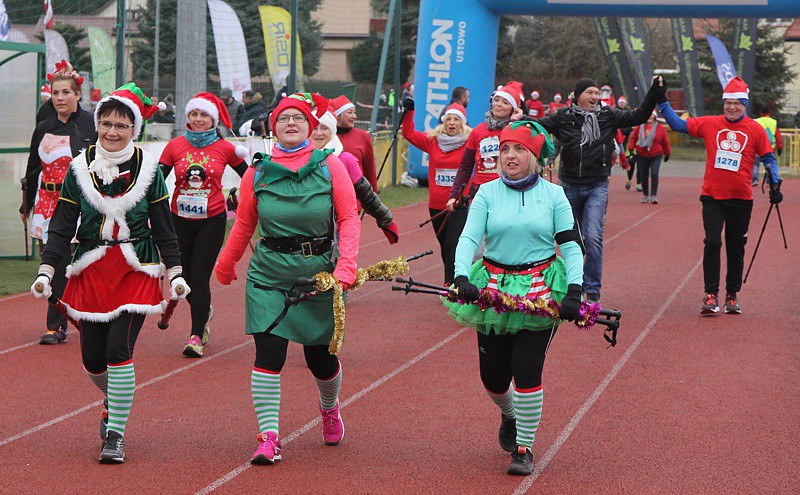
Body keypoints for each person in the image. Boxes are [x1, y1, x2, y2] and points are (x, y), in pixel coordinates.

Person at [30, 83, 187, 463]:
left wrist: (176, 271)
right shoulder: (79, 168)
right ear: (97, 124)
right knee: (93, 360)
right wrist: (48, 269)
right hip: (91, 268)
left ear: (134, 129)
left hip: (137, 269)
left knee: (119, 349)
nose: (112, 131)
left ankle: (115, 434)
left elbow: (164, 227)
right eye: (106, 123)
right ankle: (111, 398)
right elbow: (62, 225)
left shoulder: (150, 171)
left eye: (121, 125)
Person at [214, 92, 360, 465]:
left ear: (311, 126)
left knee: (320, 361)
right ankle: (269, 437)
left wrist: (345, 267)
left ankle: (329, 408)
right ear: (273, 127)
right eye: (283, 119)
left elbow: (348, 218)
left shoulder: (330, 166)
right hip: (269, 274)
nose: (290, 123)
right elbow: (245, 221)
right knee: (269, 354)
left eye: (298, 118)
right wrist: (227, 263)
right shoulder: (258, 170)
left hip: (318, 276)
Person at [442, 121, 583, 475]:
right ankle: (509, 414)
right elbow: (468, 238)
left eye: (518, 149)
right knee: (492, 378)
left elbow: (571, 245)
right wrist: (460, 275)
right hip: (493, 287)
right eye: (504, 149)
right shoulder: (487, 193)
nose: (509, 156)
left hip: (540, 289)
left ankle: (524, 448)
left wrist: (576, 290)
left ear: (535, 157)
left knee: (526, 369)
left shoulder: (555, 195)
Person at [528, 76, 665, 302]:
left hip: (596, 185)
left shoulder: (608, 116)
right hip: (569, 185)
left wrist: (654, 92)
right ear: (578, 95)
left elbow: (639, 115)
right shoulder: (564, 117)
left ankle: (591, 291)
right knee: (570, 239)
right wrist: (512, 117)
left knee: (592, 236)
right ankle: (573, 285)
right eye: (589, 92)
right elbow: (538, 125)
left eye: (596, 93)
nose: (594, 97)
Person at [658, 76, 782, 315]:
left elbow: (768, 157)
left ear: (744, 105)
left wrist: (775, 183)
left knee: (736, 247)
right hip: (712, 197)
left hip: (741, 199)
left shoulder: (755, 128)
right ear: (723, 104)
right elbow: (678, 125)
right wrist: (661, 102)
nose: (732, 107)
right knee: (712, 242)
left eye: (737, 103)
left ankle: (732, 295)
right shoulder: (710, 123)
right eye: (728, 103)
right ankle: (710, 294)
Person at [159, 92, 248, 357]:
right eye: (194, 114)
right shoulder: (174, 146)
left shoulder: (225, 148)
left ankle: (196, 334)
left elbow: (251, 176)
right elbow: (155, 181)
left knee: (199, 278)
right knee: (181, 277)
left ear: (213, 120)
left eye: (204, 115)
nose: (198, 120)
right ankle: (204, 311)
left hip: (211, 221)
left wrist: (250, 196)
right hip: (179, 221)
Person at [20, 60, 97, 345]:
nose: (61, 98)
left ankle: (90, 317)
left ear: (78, 94)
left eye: (66, 92)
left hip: (81, 205)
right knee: (51, 264)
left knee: (80, 266)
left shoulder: (91, 124)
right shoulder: (43, 126)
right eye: (56, 93)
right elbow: (32, 167)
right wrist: (26, 205)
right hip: (47, 203)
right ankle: (56, 325)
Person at [401, 98, 472, 284]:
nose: (452, 123)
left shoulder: (470, 142)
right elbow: (408, 134)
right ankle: (453, 279)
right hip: (436, 205)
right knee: (444, 245)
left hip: (459, 204)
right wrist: (409, 111)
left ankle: (452, 282)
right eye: (448, 119)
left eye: (456, 120)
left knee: (453, 244)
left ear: (463, 123)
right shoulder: (433, 141)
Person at [311, 109, 399, 244]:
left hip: (337, 231)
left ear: (333, 131)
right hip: (305, 229)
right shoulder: (298, 157)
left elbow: (366, 194)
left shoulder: (346, 159)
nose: (318, 133)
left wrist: (386, 221)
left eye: (324, 128)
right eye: (314, 128)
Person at [448, 81, 525, 208]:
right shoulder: (477, 131)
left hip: (509, 193)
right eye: (496, 100)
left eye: (505, 102)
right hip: (480, 193)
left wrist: (515, 122)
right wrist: (453, 196)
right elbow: (465, 166)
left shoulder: (518, 130)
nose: (499, 105)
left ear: (513, 108)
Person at [329, 95, 379, 192]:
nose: (354, 116)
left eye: (354, 112)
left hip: (357, 198)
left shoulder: (363, 136)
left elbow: (370, 170)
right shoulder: (326, 136)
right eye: (350, 113)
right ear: (338, 116)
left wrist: (373, 196)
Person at [628, 111, 670, 204]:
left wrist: (667, 153)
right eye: (648, 114)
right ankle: (645, 195)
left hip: (656, 154)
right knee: (644, 175)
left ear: (654, 117)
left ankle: (654, 195)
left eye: (651, 115)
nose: (649, 117)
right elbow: (633, 138)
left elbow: (665, 142)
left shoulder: (660, 128)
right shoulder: (640, 127)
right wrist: (631, 149)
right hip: (642, 155)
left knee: (654, 173)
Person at [753, 106, 783, 186]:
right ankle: (771, 180)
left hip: (757, 146)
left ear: (760, 113)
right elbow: (777, 135)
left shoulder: (756, 121)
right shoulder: (773, 122)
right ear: (769, 113)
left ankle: (754, 179)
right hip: (770, 146)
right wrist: (780, 147)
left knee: (755, 163)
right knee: (770, 163)